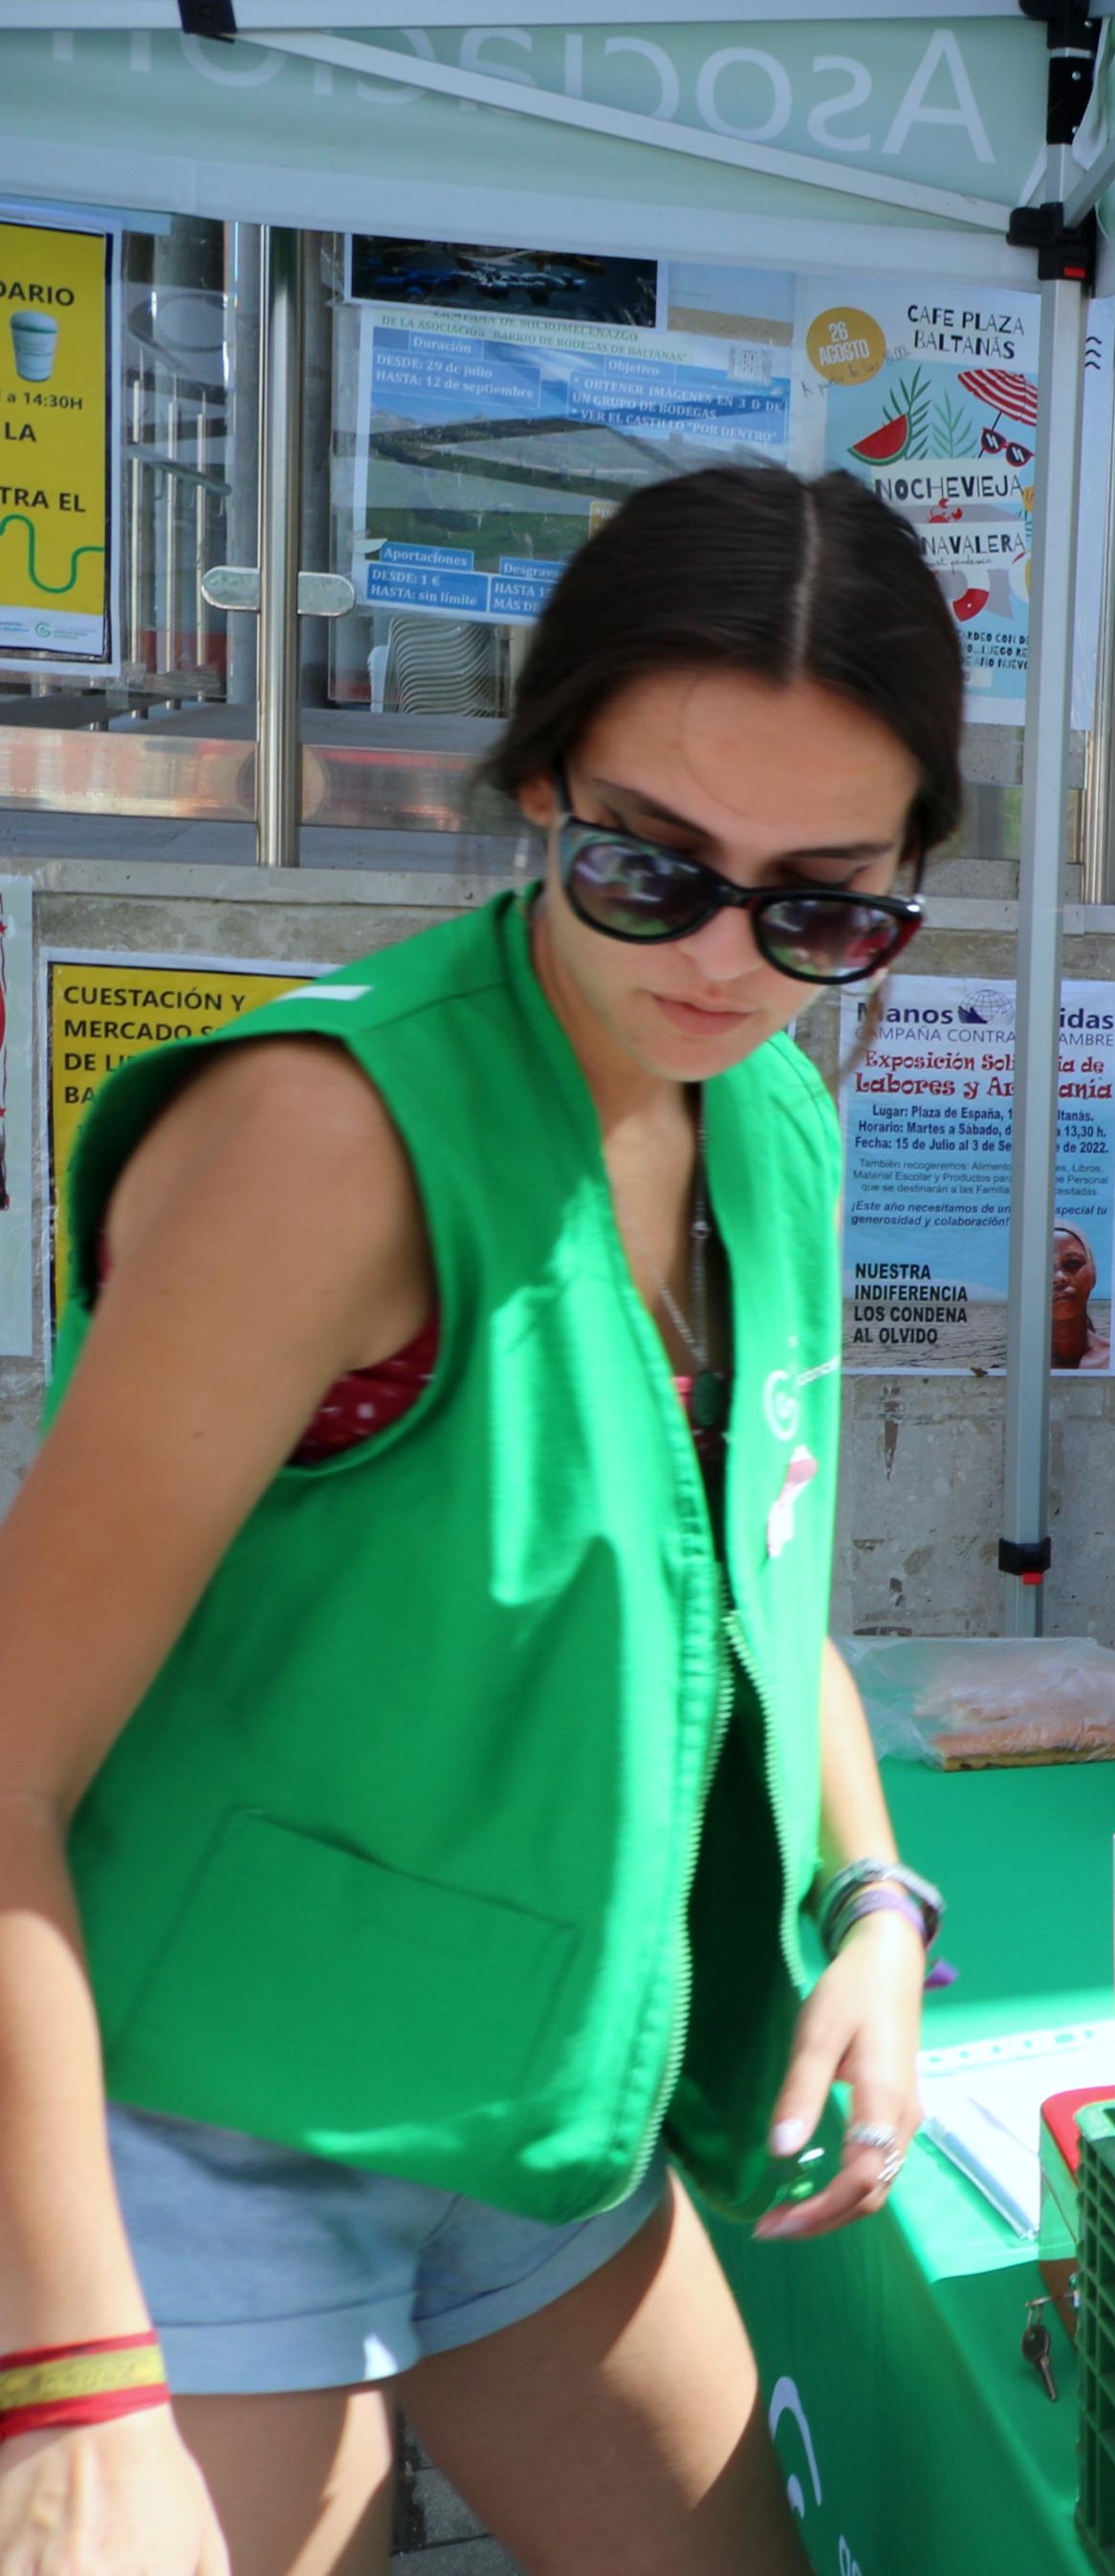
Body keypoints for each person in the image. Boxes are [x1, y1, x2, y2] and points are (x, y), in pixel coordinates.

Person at [0, 465, 953, 2576]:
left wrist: (877, 1900)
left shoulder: (768, 1117)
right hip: (191, 2133)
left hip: (539, 2109)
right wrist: (69, 2385)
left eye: (821, 906)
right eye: (648, 868)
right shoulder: (319, 1145)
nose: (725, 956)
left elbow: (749, 1586)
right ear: (536, 793)